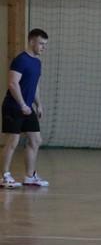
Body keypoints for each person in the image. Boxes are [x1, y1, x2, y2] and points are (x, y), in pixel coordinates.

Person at [2, 28, 50, 189]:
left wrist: (38, 104)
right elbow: (12, 83)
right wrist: (22, 104)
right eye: (41, 44)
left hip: (27, 108)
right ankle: (4, 176)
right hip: (13, 107)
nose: (43, 47)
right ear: (31, 42)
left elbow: (34, 85)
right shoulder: (20, 60)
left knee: (35, 140)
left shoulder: (37, 62)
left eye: (45, 44)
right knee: (12, 141)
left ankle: (30, 177)